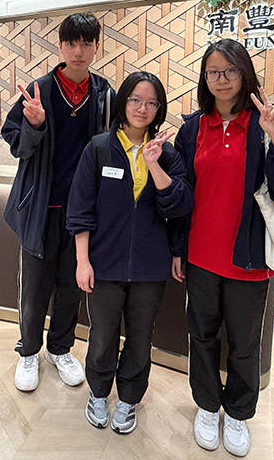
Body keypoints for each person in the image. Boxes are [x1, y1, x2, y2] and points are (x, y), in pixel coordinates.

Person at [171, 39, 274, 456]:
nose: (222, 80)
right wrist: (178, 248)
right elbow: (181, 196)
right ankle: (206, 405)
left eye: (230, 70)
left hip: (248, 260)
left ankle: (237, 413)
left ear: (244, 73)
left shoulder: (263, 126)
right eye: (213, 72)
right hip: (200, 257)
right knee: (201, 335)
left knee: (245, 344)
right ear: (204, 78)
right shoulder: (193, 129)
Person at [66, 71, 193, 434]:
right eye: (135, 99)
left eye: (151, 102)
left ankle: (129, 398)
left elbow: (180, 205)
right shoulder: (98, 149)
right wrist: (82, 260)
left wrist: (153, 164)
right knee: (102, 334)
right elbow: (80, 209)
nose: (142, 108)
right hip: (104, 262)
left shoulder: (168, 153)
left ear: (159, 109)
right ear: (122, 102)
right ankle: (98, 392)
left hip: (150, 266)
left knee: (140, 337)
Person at [2, 12, 116, 392]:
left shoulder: (105, 94)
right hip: (40, 207)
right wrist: (34, 124)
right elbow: (16, 143)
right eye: (71, 43)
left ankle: (60, 348)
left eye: (86, 43)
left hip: (82, 213)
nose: (78, 51)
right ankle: (28, 351)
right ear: (61, 46)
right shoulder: (40, 90)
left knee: (72, 286)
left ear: (96, 47)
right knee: (34, 288)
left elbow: (116, 145)